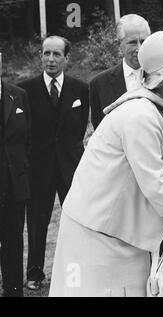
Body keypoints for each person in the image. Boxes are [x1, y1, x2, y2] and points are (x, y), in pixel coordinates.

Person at [49, 31, 163, 297]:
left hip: (116, 233)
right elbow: (157, 188)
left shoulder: (151, 110)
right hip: (98, 236)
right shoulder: (141, 116)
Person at [17, 36, 89, 291]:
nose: (50, 59)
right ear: (40, 56)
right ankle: (35, 273)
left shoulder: (80, 89)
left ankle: (77, 270)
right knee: (37, 222)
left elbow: (79, 128)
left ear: (67, 58)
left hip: (70, 167)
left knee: (77, 221)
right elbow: (22, 130)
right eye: (46, 53)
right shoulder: (25, 89)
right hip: (38, 167)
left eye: (57, 54)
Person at [89, 14, 151, 129]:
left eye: (143, 41)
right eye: (132, 42)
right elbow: (100, 130)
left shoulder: (162, 77)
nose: (139, 48)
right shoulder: (99, 84)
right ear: (119, 45)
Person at [0, 74, 31, 297]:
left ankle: (13, 289)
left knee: (13, 241)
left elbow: (28, 138)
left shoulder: (18, 95)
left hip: (14, 184)